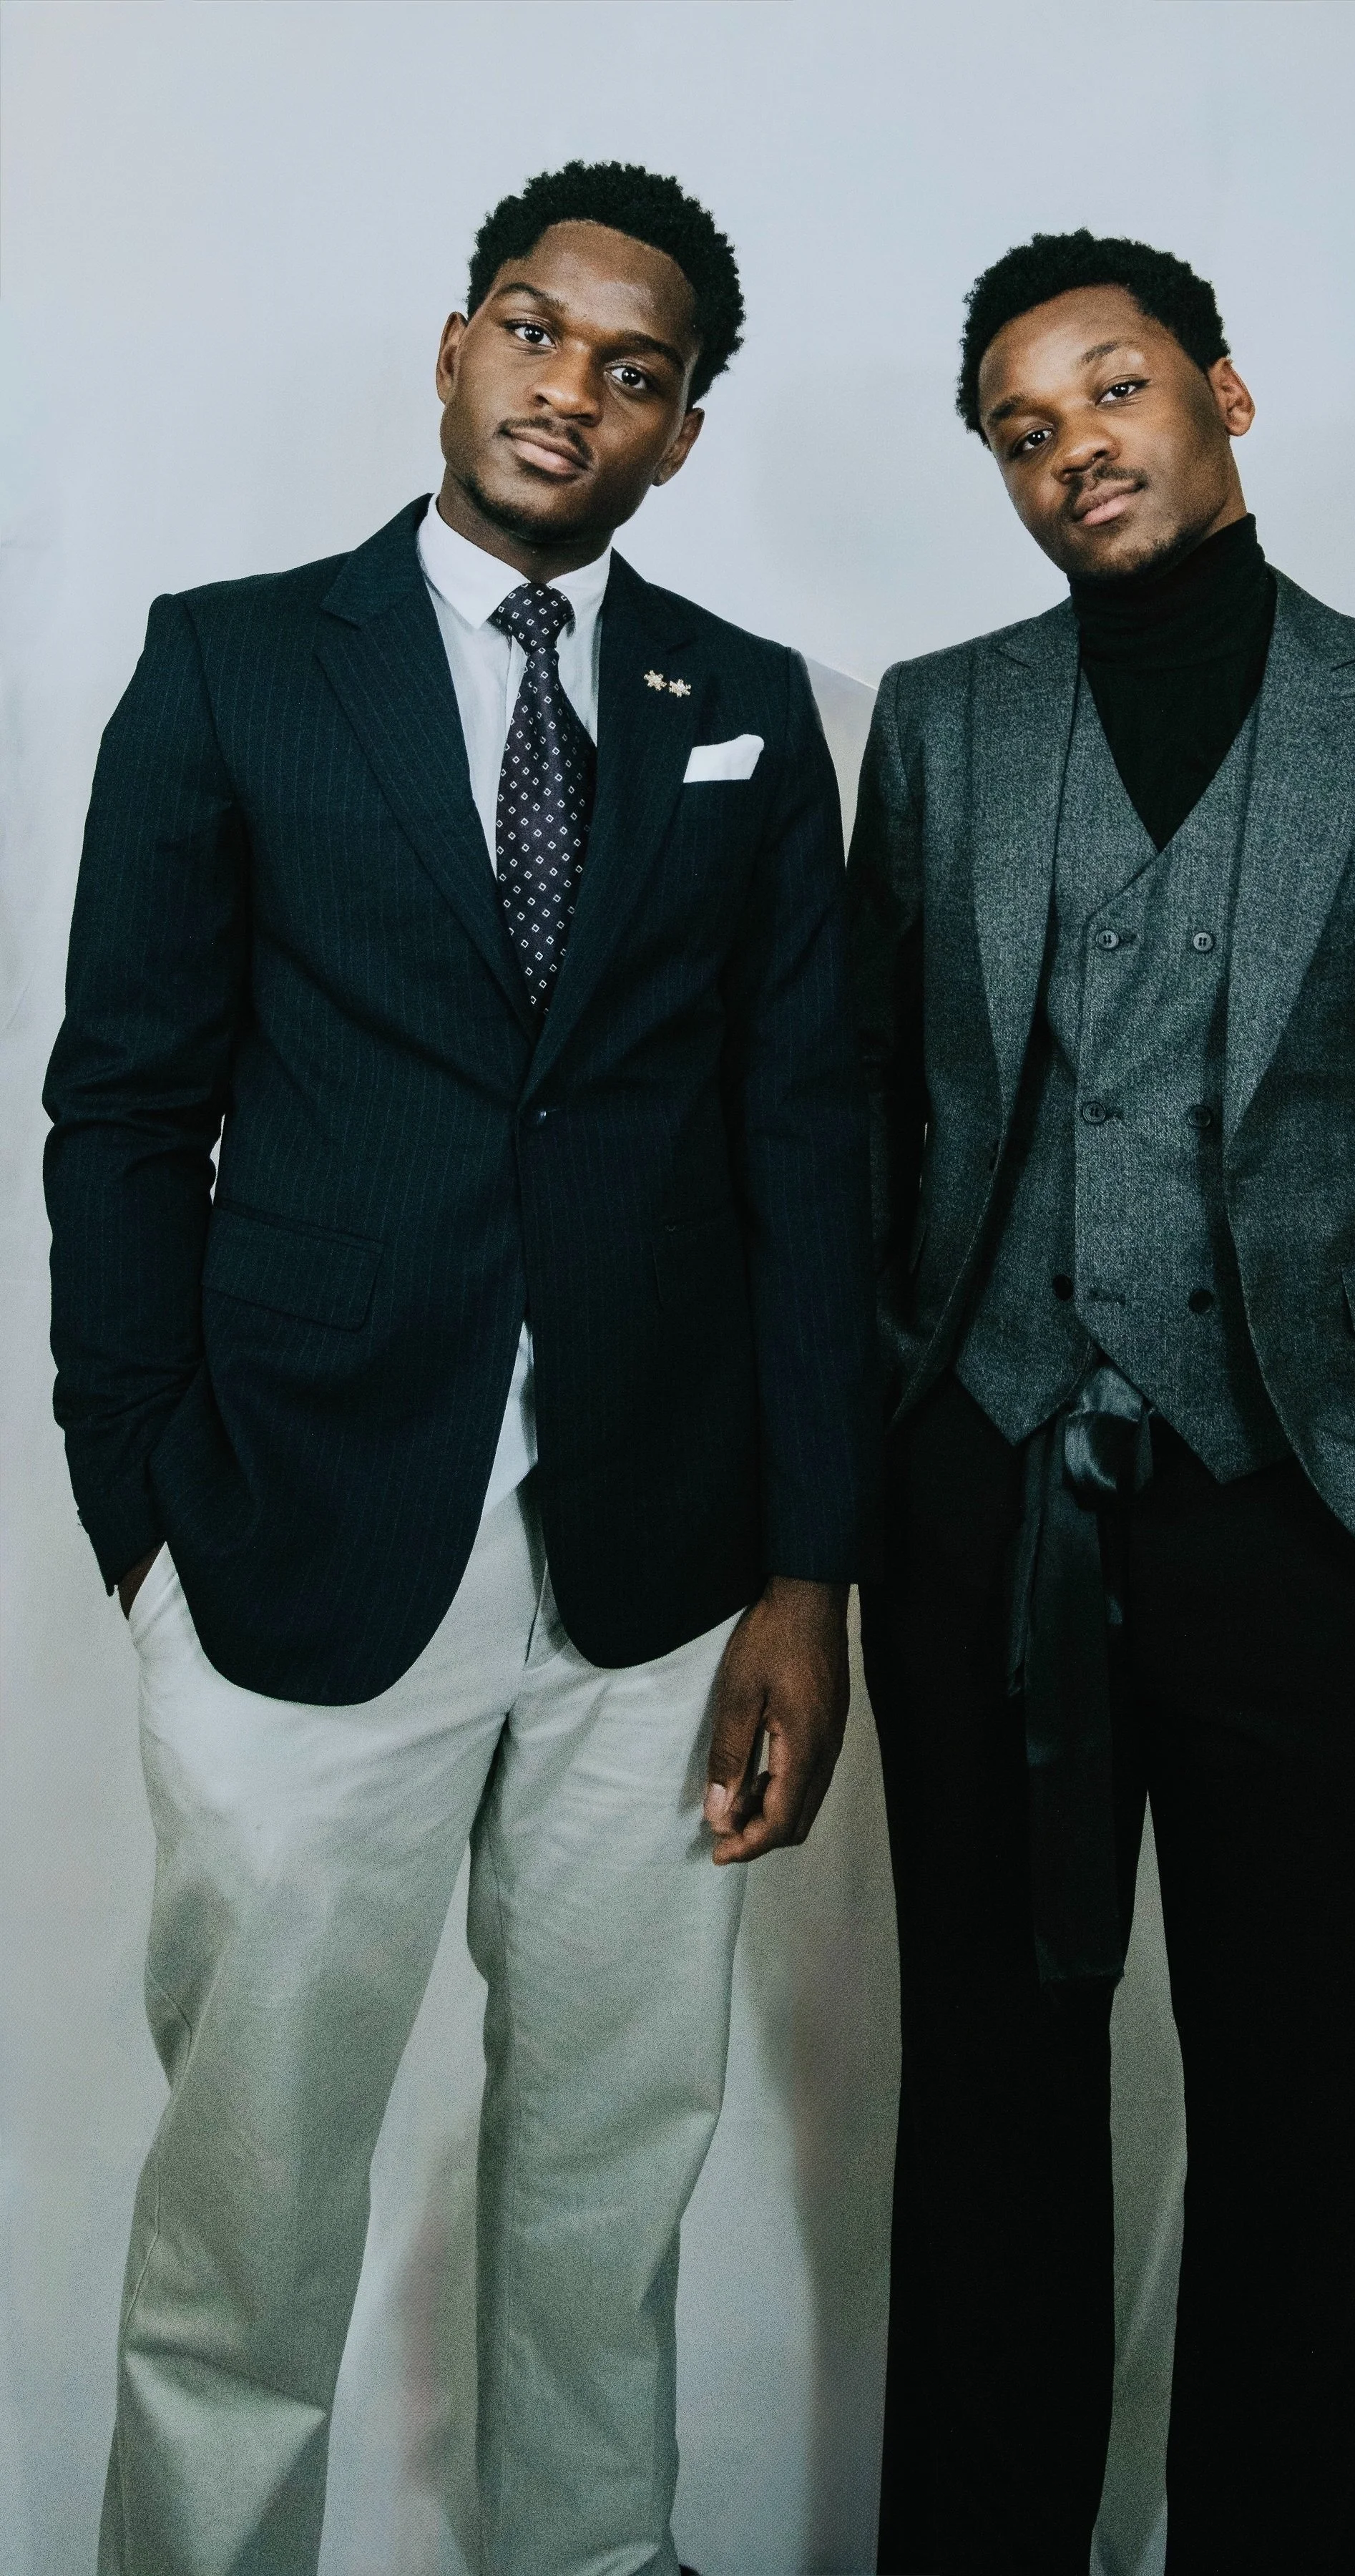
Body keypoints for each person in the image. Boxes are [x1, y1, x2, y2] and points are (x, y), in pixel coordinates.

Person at [44, 158, 876, 2576]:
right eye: (533, 329)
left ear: (681, 432)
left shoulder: (745, 706)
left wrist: (808, 1573)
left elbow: (804, 1148)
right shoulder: (235, 665)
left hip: (660, 1573)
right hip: (299, 1537)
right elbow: (126, 1109)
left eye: (635, 369)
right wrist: (143, 1511)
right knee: (253, 2199)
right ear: (452, 345)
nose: (568, 389)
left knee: (612, 2168)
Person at [848, 230, 1355, 2573]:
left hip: (1324, 1532)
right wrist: (874, 1462)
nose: (1074, 446)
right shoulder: (942, 723)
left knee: (1301, 2126)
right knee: (987, 2108)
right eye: (1022, 429)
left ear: (1224, 394)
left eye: (1113, 389)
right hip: (987, 1510)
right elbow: (866, 1106)